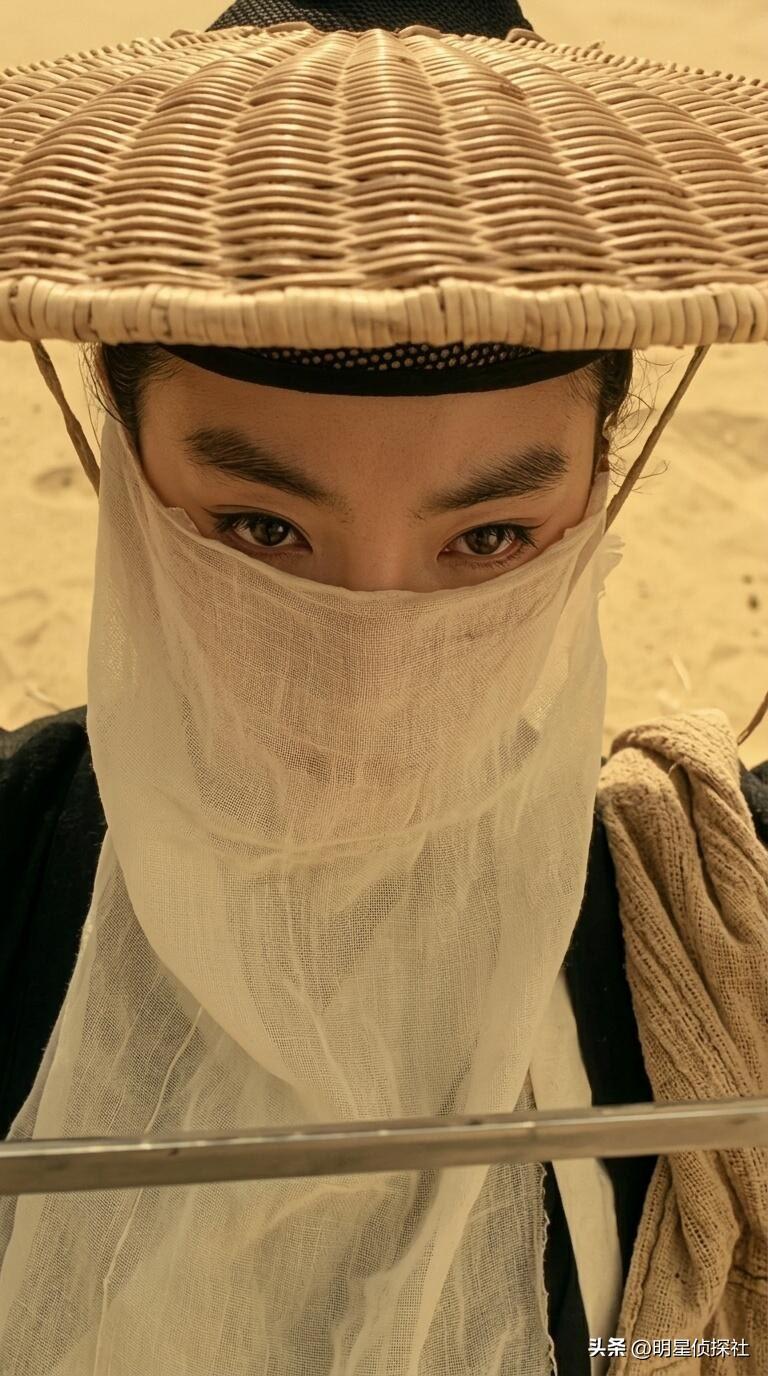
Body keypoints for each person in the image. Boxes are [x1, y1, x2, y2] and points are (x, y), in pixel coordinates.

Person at [0, 3, 766, 1374]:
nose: (366, 682)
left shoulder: (713, 920)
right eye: (261, 532)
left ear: (603, 484)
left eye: (490, 539)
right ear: (118, 461)